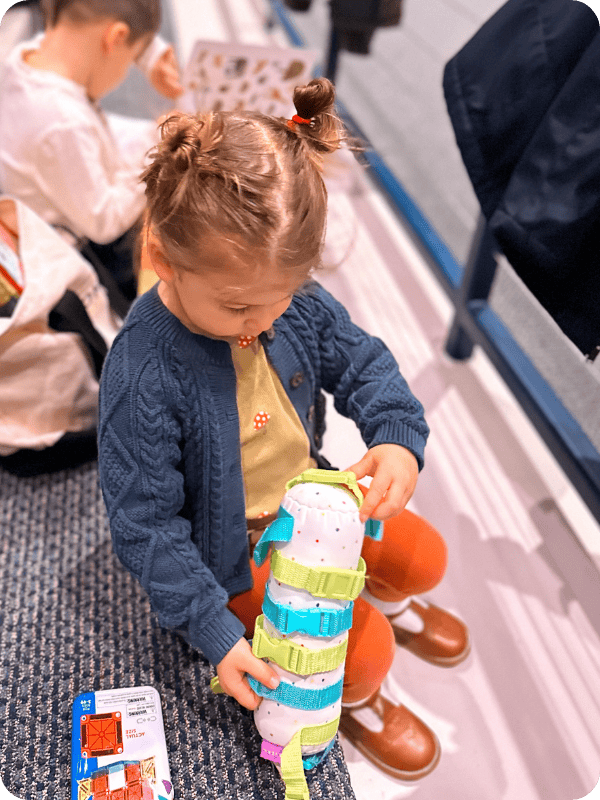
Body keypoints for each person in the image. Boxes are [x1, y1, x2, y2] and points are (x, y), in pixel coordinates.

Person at [97, 77, 470, 781]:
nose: (263, 323)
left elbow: (360, 359)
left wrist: (395, 437)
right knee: (362, 659)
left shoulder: (281, 296)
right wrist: (216, 631)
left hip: (316, 501)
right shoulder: (142, 374)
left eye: (281, 299)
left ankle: (381, 598)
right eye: (240, 307)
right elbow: (144, 528)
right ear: (162, 257)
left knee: (424, 560)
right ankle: (354, 701)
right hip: (233, 551)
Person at [0, 0, 183, 300]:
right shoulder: (62, 123)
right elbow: (106, 221)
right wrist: (158, 149)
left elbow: (96, 133)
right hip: (80, 256)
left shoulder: (26, 57)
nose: (127, 71)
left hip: (57, 216)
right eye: (131, 61)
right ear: (115, 38)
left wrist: (147, 53)